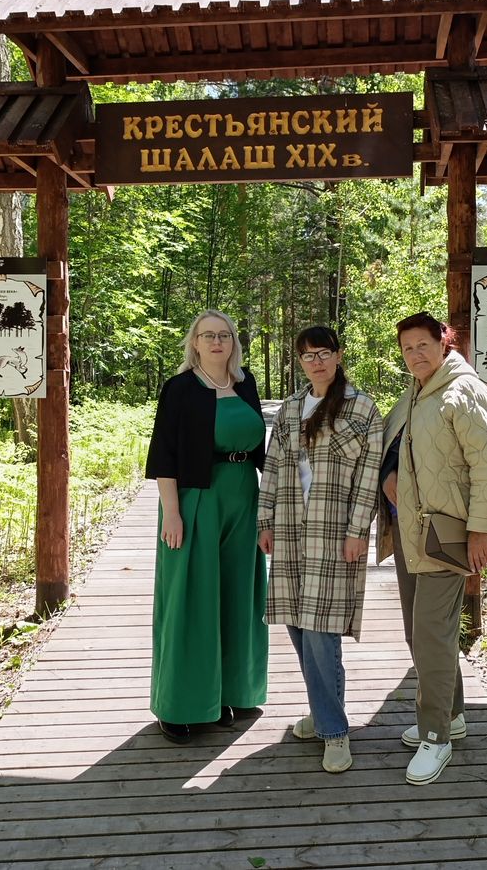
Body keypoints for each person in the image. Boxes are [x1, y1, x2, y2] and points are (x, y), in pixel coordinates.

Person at [377, 311, 487, 785]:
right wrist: (387, 478)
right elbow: (390, 446)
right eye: (406, 347)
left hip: (448, 537)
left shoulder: (462, 390)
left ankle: (437, 738)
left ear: (444, 341)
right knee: (420, 635)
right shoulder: (415, 391)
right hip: (413, 535)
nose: (414, 354)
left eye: (422, 345)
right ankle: (451, 715)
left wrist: (480, 531)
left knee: (431, 637)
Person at [258, 327, 383, 774]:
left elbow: (369, 478)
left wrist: (357, 532)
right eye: (308, 356)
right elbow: (272, 466)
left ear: (339, 355)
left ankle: (334, 732)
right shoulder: (292, 407)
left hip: (334, 533)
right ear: (300, 361)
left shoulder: (361, 407)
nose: (317, 362)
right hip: (291, 530)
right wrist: (264, 520)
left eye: (324, 353)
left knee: (321, 631)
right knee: (296, 624)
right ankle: (322, 708)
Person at [145, 310, 269, 743]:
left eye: (224, 335)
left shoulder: (246, 382)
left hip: (243, 498)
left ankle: (231, 691)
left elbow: (260, 449)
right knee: (191, 600)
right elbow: (164, 454)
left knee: (238, 594)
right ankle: (180, 704)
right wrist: (172, 511)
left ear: (233, 342)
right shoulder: (180, 388)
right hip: (196, 499)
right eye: (207, 335)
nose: (216, 342)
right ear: (194, 343)